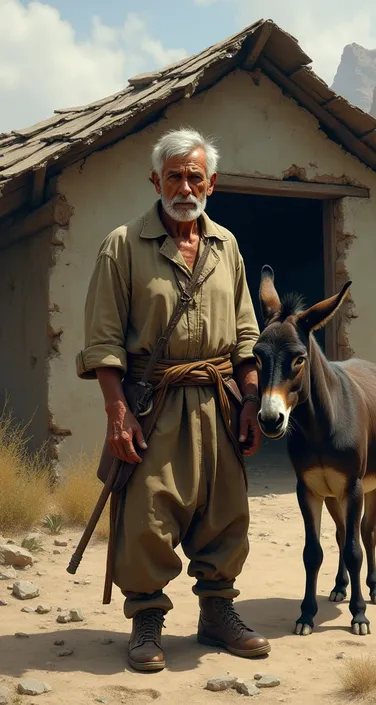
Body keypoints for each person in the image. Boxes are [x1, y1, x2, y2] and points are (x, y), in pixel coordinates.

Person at [76, 127, 271, 672]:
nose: (185, 187)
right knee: (149, 512)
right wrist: (117, 413)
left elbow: (246, 333)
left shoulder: (225, 245)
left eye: (195, 176)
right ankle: (146, 621)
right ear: (155, 180)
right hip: (151, 404)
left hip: (220, 400)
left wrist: (251, 401)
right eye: (174, 176)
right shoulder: (122, 244)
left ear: (211, 182)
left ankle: (217, 614)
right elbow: (103, 341)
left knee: (225, 510)